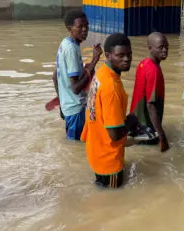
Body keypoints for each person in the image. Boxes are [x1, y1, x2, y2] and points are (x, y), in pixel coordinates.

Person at [81, 33, 137, 188]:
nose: (126, 59)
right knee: (113, 203)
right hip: (109, 161)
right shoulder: (111, 87)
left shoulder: (101, 74)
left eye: (129, 54)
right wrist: (131, 124)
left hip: (95, 149)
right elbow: (114, 135)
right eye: (120, 55)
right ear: (108, 55)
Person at [53, 10, 102, 140]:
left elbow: (55, 77)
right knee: (76, 146)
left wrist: (62, 103)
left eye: (86, 25)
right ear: (70, 28)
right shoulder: (71, 49)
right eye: (80, 26)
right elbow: (75, 88)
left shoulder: (65, 44)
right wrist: (94, 61)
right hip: (75, 109)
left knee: (72, 145)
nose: (85, 29)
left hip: (68, 107)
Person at [130, 32, 170, 152]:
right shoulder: (153, 70)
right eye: (160, 47)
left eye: (166, 46)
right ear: (150, 48)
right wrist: (162, 136)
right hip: (146, 129)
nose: (165, 50)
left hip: (136, 123)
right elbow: (151, 105)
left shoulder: (144, 63)